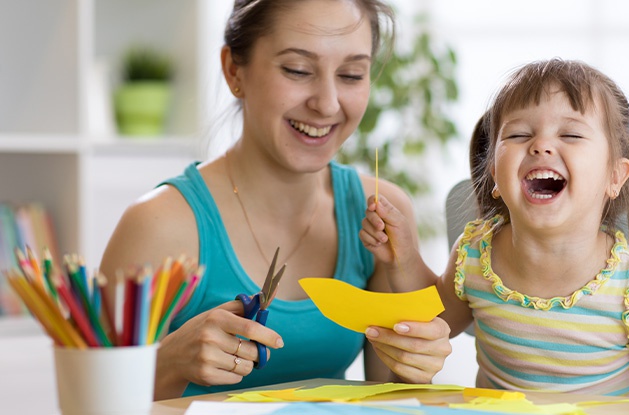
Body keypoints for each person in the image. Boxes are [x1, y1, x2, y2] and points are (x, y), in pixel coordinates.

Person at [100, 0, 451, 400]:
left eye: (352, 74)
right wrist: (169, 362)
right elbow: (89, 406)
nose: (327, 103)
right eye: (298, 70)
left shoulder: (379, 213)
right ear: (235, 70)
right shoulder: (159, 224)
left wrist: (415, 358)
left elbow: (392, 401)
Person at [360, 58, 629, 399]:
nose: (541, 145)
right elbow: (436, 322)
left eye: (571, 135)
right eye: (519, 134)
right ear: (494, 172)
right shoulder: (475, 254)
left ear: (615, 175)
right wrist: (403, 256)